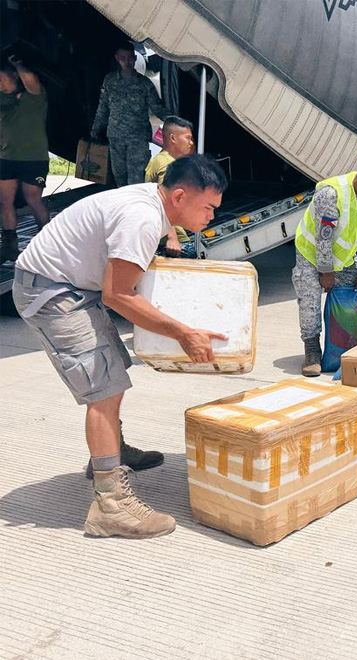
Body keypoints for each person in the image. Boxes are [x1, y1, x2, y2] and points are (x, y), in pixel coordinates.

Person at [12, 154, 229, 539]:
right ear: (179, 197)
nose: (212, 215)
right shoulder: (142, 219)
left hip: (73, 284)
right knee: (104, 389)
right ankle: (110, 505)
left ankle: (112, 451)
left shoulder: (153, 204)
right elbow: (118, 295)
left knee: (114, 371)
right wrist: (183, 333)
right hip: (51, 290)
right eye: (209, 206)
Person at [293, 149, 357, 376]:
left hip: (343, 259)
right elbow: (323, 237)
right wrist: (325, 271)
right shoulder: (332, 193)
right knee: (310, 300)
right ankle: (312, 350)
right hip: (311, 255)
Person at [91, 42, 167, 187]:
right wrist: (96, 129)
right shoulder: (110, 81)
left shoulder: (144, 84)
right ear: (117, 58)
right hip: (116, 137)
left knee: (136, 180)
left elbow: (157, 108)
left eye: (131, 58)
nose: (128, 62)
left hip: (137, 140)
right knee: (119, 177)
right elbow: (103, 108)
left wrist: (173, 121)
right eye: (123, 58)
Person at [0, 55, 51, 262]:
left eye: (1, 78)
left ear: (13, 75)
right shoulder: (3, 100)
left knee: (33, 199)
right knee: (5, 201)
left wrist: (18, 64)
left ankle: (49, 240)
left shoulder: (34, 94)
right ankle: (10, 244)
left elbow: (31, 80)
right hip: (7, 157)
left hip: (34, 158)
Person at [145, 116, 197, 258]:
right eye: (187, 138)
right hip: (176, 243)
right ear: (173, 138)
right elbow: (164, 201)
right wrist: (172, 238)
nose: (191, 143)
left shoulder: (158, 160)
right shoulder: (167, 165)